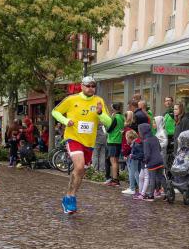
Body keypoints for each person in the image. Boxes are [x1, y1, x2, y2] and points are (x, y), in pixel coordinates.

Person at [51, 75, 112, 213]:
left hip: (89, 142)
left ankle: (69, 196)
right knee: (79, 166)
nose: (91, 88)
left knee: (80, 172)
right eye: (88, 86)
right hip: (73, 138)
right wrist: (66, 121)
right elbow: (55, 112)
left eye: (93, 86)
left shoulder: (99, 101)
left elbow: (108, 122)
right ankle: (70, 198)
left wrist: (100, 113)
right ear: (82, 86)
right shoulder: (71, 99)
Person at [139, 122, 165, 200]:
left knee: (152, 179)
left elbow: (147, 154)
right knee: (161, 177)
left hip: (152, 163)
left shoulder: (146, 141)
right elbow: (159, 148)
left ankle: (151, 195)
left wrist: (145, 161)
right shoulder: (155, 138)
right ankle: (167, 192)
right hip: (160, 160)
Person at [105, 103, 124, 187]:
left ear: (114, 109)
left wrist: (107, 124)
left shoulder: (115, 117)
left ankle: (115, 180)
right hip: (118, 140)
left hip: (113, 140)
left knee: (113, 161)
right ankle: (115, 179)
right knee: (115, 161)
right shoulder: (122, 117)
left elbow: (109, 129)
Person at [126, 129, 143, 199]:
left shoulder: (136, 144)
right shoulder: (136, 142)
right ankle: (139, 189)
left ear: (130, 138)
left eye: (127, 138)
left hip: (135, 160)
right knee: (136, 173)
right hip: (136, 159)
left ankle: (137, 189)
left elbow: (140, 154)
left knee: (135, 173)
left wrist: (133, 156)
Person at [163, 97, 177, 165]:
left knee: (172, 154)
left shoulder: (174, 112)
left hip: (173, 136)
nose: (168, 102)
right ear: (164, 103)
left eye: (169, 100)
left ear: (172, 102)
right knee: (167, 154)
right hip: (166, 136)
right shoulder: (165, 113)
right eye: (166, 101)